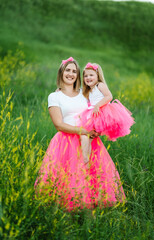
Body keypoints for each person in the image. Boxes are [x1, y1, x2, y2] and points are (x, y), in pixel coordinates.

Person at [35, 57, 126, 211]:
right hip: (66, 142)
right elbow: (58, 124)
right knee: (69, 178)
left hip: (89, 141)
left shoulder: (84, 94)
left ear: (78, 75)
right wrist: (83, 131)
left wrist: (97, 130)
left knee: (90, 178)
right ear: (61, 73)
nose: (71, 74)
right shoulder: (55, 96)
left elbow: (97, 113)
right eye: (68, 70)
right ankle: (66, 217)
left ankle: (90, 219)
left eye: (74, 71)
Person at [77, 62, 135, 168]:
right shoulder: (89, 89)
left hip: (102, 112)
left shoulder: (100, 85)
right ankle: (86, 159)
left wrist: (98, 106)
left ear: (97, 76)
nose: (88, 78)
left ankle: (85, 160)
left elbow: (109, 96)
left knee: (87, 136)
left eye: (91, 75)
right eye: (85, 76)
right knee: (88, 137)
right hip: (93, 113)